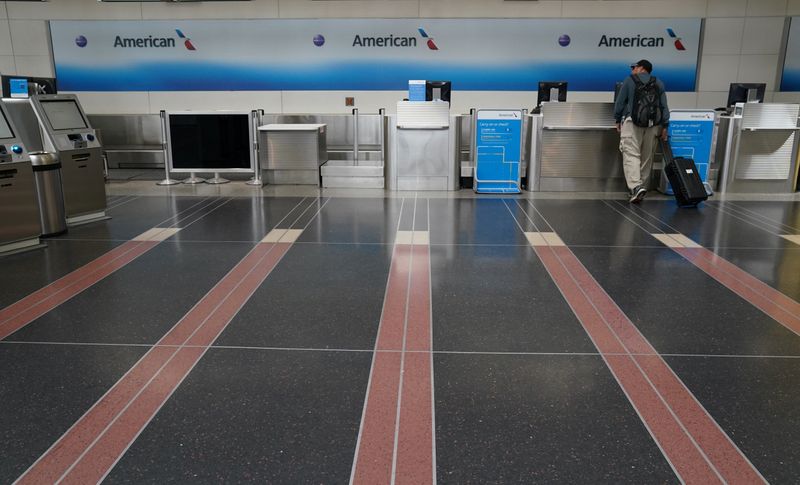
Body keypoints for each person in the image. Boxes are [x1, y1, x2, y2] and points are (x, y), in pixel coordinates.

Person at [614, 59, 670, 203]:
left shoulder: (630, 80)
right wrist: (665, 126)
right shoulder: (658, 82)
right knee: (647, 157)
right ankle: (641, 188)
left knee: (631, 154)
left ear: (641, 68)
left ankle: (635, 188)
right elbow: (664, 106)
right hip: (653, 125)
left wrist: (617, 119)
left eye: (634, 67)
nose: (632, 70)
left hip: (632, 122)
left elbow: (620, 102)